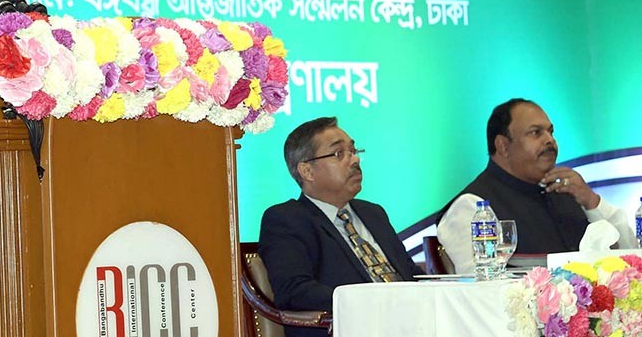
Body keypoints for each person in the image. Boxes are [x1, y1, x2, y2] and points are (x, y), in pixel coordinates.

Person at [258, 117, 421, 336]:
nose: (354, 160)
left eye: (354, 151)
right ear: (307, 171)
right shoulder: (286, 219)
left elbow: (409, 274)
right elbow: (294, 291)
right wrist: (373, 301)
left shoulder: (374, 213)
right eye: (339, 153)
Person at [437, 98, 636, 274]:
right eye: (535, 133)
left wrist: (592, 202)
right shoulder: (473, 207)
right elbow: (480, 290)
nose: (549, 140)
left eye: (550, 132)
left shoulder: (569, 192)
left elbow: (631, 260)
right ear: (503, 146)